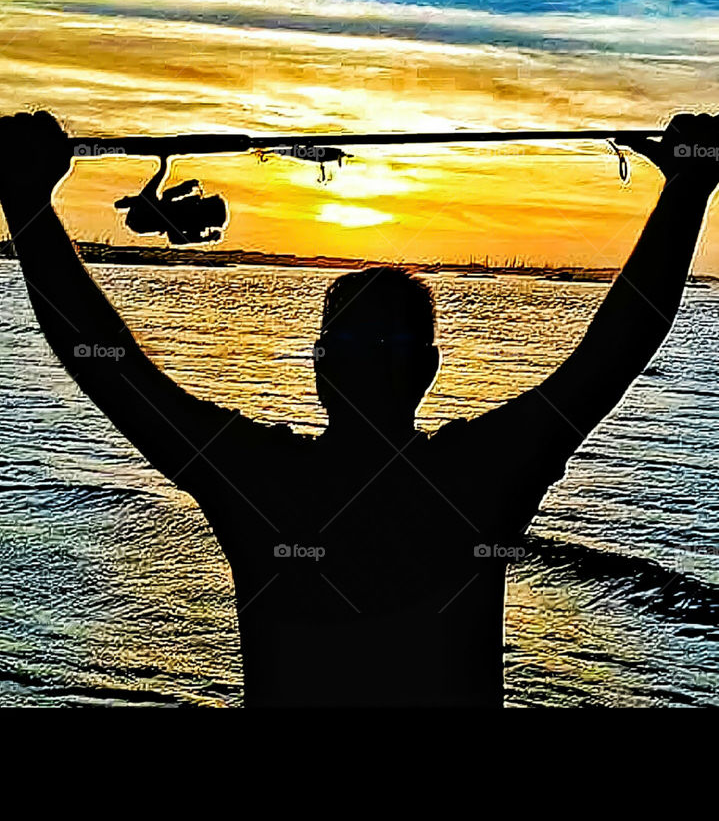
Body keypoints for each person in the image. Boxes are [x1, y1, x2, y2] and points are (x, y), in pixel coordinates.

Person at [0, 110, 717, 707]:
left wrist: (29, 205)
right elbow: (610, 355)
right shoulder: (479, 476)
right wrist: (685, 192)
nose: (371, 351)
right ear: (428, 369)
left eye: (377, 339)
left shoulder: (259, 482)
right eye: (363, 339)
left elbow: (110, 370)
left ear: (317, 368)